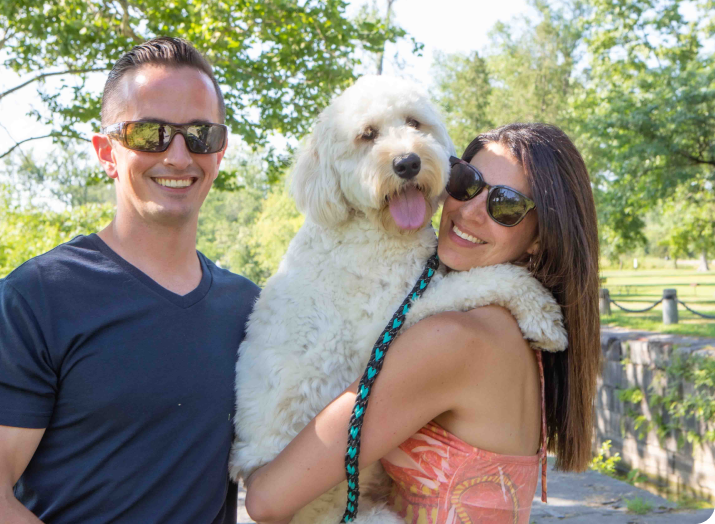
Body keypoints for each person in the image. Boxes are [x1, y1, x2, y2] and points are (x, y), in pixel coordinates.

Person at [0, 37, 260, 524]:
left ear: (220, 151)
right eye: (149, 133)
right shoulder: (36, 298)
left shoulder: (251, 309)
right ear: (106, 151)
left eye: (200, 134)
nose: (177, 155)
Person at [244, 123, 600, 524]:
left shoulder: (452, 339)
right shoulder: (511, 328)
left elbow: (265, 499)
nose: (469, 210)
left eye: (506, 205)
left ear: (540, 238)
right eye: (466, 182)